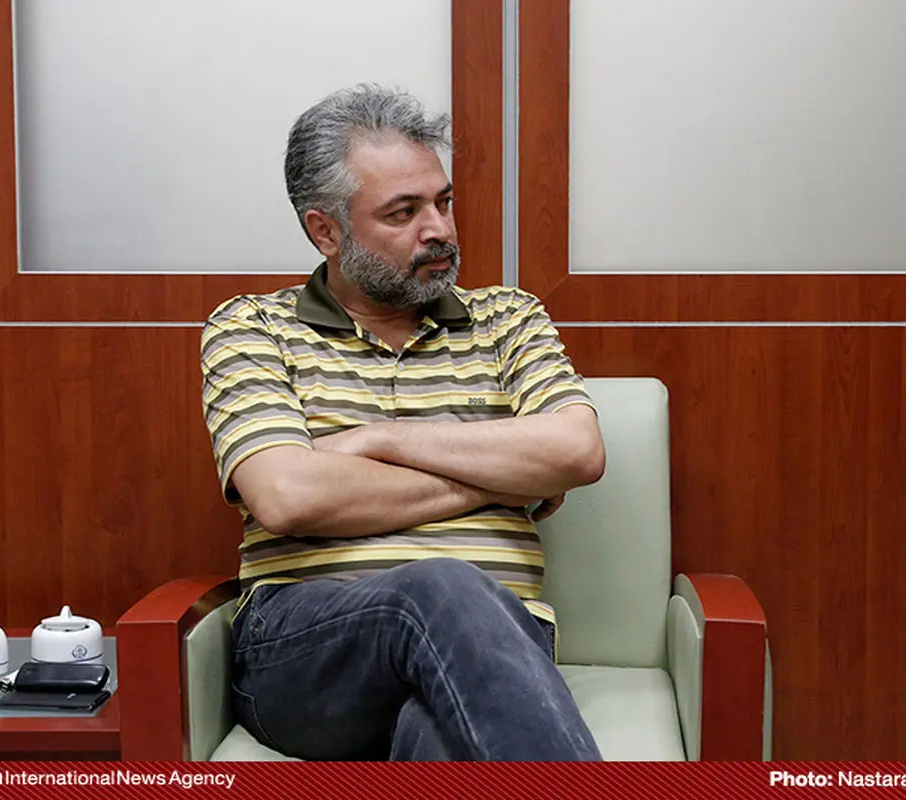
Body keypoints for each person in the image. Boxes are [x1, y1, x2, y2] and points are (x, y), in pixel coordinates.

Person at [200, 84, 606, 761]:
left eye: (444, 202)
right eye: (404, 211)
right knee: (442, 586)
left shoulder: (509, 319)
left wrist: (383, 439)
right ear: (326, 230)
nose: (439, 229)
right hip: (307, 651)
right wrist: (503, 478)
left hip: (498, 646)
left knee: (441, 736)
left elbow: (577, 451)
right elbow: (289, 496)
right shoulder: (253, 329)